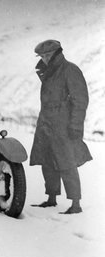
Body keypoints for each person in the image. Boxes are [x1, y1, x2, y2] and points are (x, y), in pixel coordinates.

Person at [30, 39, 92, 214]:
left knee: (67, 163)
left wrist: (75, 126)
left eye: (48, 55)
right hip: (46, 123)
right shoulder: (48, 72)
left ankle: (76, 203)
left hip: (63, 125)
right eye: (42, 56)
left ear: (57, 53)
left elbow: (80, 101)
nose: (45, 59)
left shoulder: (69, 70)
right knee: (46, 160)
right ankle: (51, 198)